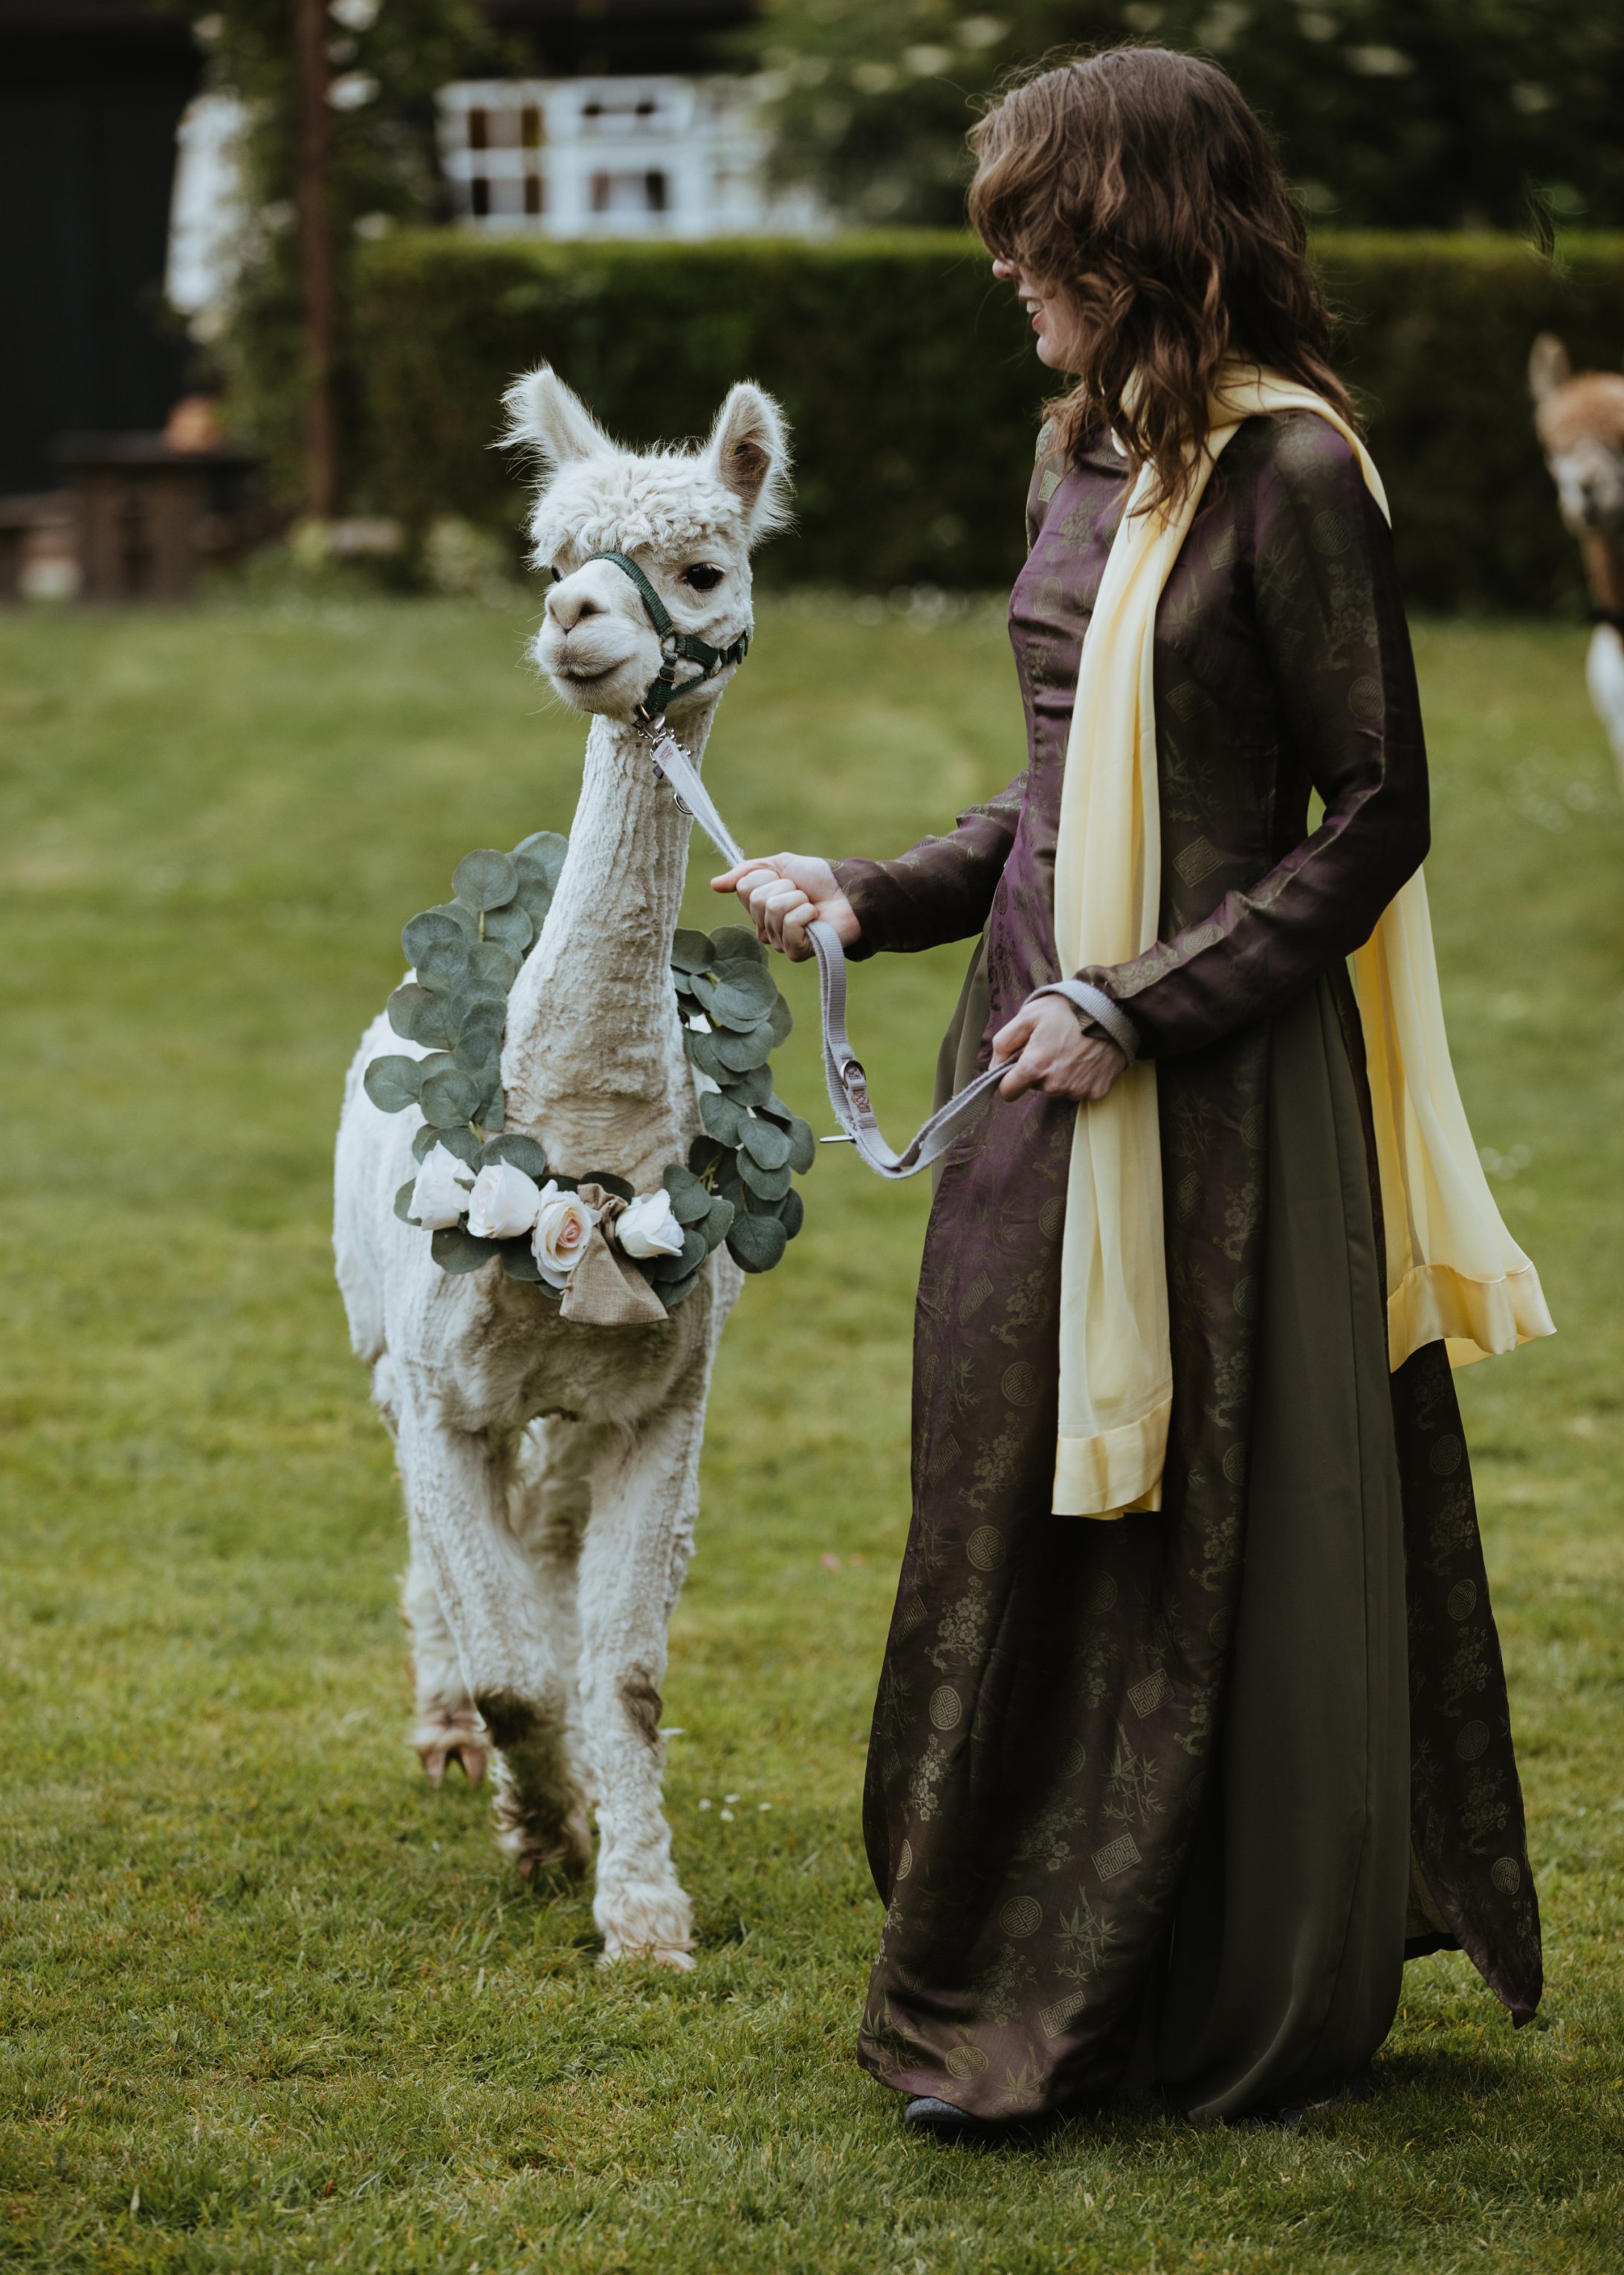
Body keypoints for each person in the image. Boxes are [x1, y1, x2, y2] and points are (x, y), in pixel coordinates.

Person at [714, 46, 1545, 2132]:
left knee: (1181, 1528)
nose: (1004, 268)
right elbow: (1053, 776)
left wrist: (1146, 1007)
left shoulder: (1293, 474)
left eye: (1033, 232)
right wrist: (866, 891)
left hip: (1216, 1084)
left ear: (1136, 233)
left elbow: (1371, 812)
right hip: (1026, 1052)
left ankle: (1159, 1986)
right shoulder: (1068, 452)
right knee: (997, 1492)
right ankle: (997, 1940)